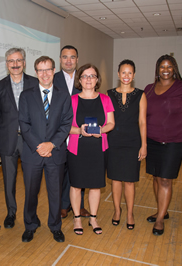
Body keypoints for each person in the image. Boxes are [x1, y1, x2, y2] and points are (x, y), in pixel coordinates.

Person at [18, 56, 73, 243]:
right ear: (36, 73)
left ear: (54, 70)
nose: (45, 74)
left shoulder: (64, 95)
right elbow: (24, 124)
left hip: (55, 153)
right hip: (32, 153)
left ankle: (55, 226)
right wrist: (39, 146)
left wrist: (51, 144)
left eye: (48, 69)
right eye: (41, 70)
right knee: (31, 193)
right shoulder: (26, 95)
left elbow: (66, 124)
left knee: (55, 193)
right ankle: (30, 224)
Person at [144, 54, 182, 236]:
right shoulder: (149, 89)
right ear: (157, 69)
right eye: (162, 67)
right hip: (152, 141)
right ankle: (162, 210)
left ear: (174, 68)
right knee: (156, 177)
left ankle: (160, 220)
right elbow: (143, 117)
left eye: (169, 67)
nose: (165, 70)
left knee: (166, 179)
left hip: (175, 141)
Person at [0, 48, 39, 229]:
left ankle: (31, 215)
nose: (15, 64)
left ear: (24, 62)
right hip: (9, 140)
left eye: (18, 60)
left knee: (31, 181)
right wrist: (10, 129)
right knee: (9, 181)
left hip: (30, 141)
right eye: (11, 61)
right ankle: (11, 213)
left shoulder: (35, 83)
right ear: (6, 64)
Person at [68, 64, 115, 235]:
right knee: (76, 185)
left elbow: (111, 123)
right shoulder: (72, 100)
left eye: (92, 76)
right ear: (79, 80)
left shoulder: (105, 99)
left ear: (97, 79)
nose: (88, 79)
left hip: (98, 148)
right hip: (77, 149)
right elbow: (65, 126)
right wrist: (79, 130)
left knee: (95, 186)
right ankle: (77, 218)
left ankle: (93, 218)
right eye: (85, 76)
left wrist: (100, 131)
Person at [107, 59, 147, 230]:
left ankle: (130, 213)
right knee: (115, 180)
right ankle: (117, 211)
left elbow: (143, 122)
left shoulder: (140, 94)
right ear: (118, 74)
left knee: (130, 181)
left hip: (132, 143)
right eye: (123, 72)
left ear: (134, 75)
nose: (126, 76)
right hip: (113, 142)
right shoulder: (109, 94)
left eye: (129, 73)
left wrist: (144, 145)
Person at [53, 45, 90, 219]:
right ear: (60, 60)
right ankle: (62, 205)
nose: (69, 60)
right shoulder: (52, 79)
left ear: (77, 60)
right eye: (65, 57)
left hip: (79, 132)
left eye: (72, 57)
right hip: (59, 133)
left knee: (79, 169)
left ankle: (80, 206)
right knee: (61, 171)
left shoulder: (84, 79)